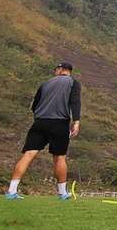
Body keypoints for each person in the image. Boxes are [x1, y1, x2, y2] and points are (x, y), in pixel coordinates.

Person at [5, 62, 81, 200]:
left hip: (40, 122)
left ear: (61, 70)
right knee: (59, 157)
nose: (55, 72)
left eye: (56, 69)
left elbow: (34, 106)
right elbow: (75, 102)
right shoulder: (73, 83)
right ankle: (62, 193)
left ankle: (11, 191)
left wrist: (40, 116)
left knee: (28, 154)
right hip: (59, 123)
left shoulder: (45, 84)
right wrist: (76, 121)